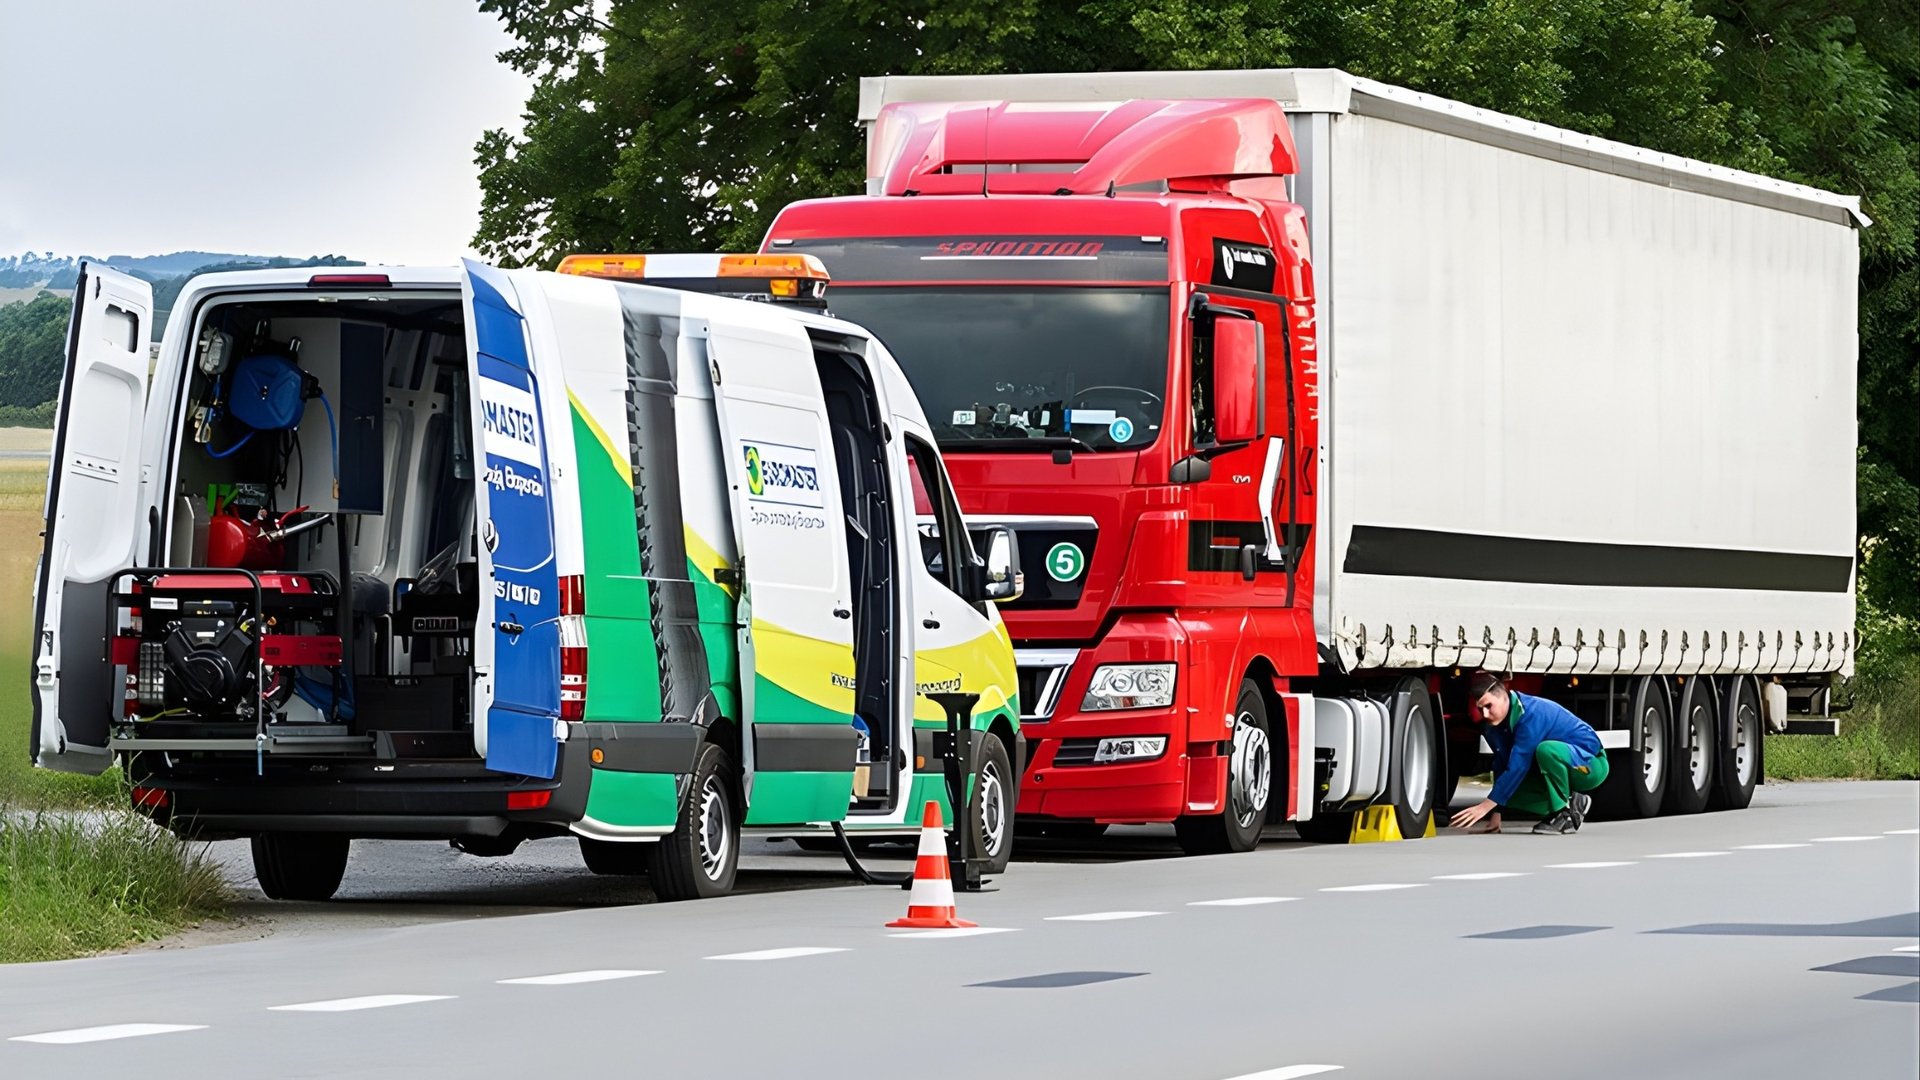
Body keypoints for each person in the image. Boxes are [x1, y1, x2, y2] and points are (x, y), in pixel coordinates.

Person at [1449, 671, 1608, 835]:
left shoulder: (1531, 713)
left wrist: (1484, 806)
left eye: (1489, 706)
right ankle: (1571, 803)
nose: (1485, 714)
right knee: (1510, 794)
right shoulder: (1492, 727)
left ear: (1505, 697)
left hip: (1590, 766)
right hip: (1562, 769)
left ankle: (1563, 815)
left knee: (1547, 750)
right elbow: (1502, 765)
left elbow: (1519, 765)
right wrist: (1495, 815)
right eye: (1480, 709)